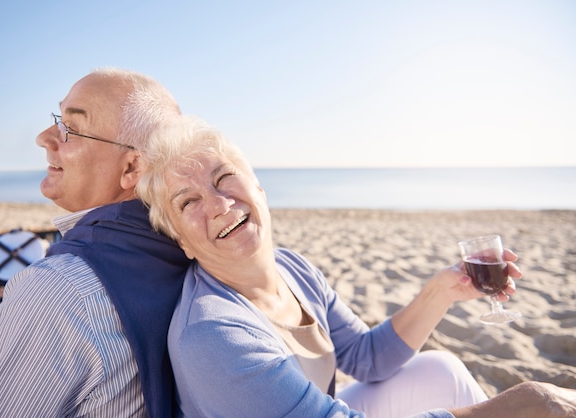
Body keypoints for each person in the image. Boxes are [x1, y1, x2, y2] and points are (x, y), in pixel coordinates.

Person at [135, 115, 576, 418]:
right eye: (188, 201)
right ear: (182, 243)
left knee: (438, 368)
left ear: (260, 188)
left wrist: (442, 290)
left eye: (223, 177)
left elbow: (366, 358)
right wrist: (517, 406)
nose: (219, 204)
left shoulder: (293, 268)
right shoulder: (212, 333)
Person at [0, 68, 191, 417]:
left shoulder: (59, 289)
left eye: (71, 129)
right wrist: (12, 326)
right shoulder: (174, 249)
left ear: (131, 168)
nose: (44, 137)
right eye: (57, 119)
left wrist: (35, 313)